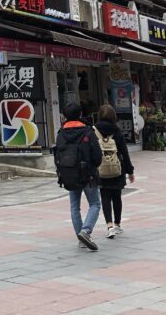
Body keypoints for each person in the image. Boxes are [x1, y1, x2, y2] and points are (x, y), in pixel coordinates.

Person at [54, 104, 103, 251]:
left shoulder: (61, 133)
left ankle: (81, 239)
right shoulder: (87, 131)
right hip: (88, 174)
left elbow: (57, 155)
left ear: (65, 116)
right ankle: (86, 231)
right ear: (80, 114)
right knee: (95, 204)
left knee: (75, 206)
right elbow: (97, 156)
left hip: (69, 174)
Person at [95, 104, 135, 238]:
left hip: (101, 169)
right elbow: (124, 151)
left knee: (105, 196)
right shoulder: (116, 131)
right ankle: (117, 224)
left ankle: (109, 225)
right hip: (117, 168)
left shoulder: (94, 130)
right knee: (117, 196)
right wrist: (130, 171)